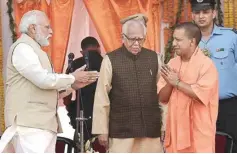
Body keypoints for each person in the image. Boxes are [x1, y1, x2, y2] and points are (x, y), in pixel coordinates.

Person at [0, 10, 99, 153]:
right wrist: (72, 77)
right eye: (47, 27)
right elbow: (44, 80)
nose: (51, 31)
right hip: (30, 126)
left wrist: (73, 86)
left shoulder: (35, 50)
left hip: (41, 126)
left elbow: (48, 91)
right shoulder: (23, 48)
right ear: (33, 28)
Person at [91, 14, 163, 153]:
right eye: (132, 39)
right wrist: (102, 130)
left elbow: (162, 95)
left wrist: (165, 125)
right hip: (121, 132)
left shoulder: (154, 58)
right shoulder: (110, 59)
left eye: (140, 39)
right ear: (122, 37)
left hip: (150, 129)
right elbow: (102, 98)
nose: (136, 44)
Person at [158, 22, 218, 152]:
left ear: (192, 42)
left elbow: (201, 95)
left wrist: (177, 83)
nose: (174, 43)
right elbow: (162, 98)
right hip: (175, 131)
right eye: (173, 39)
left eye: (178, 40)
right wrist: (170, 82)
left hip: (198, 133)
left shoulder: (206, 65)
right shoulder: (172, 63)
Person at [190, 0, 237, 152]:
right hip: (199, 106)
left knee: (231, 145)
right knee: (201, 146)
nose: (201, 16)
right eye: (197, 12)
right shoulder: (187, 40)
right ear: (192, 15)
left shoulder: (231, 37)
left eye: (206, 11)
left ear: (214, 13)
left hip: (227, 106)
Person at [63, 37, 103, 144]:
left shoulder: (74, 65)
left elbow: (65, 92)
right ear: (99, 48)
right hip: (104, 117)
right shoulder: (107, 63)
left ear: (82, 51)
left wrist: (71, 109)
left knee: (83, 147)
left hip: (81, 116)